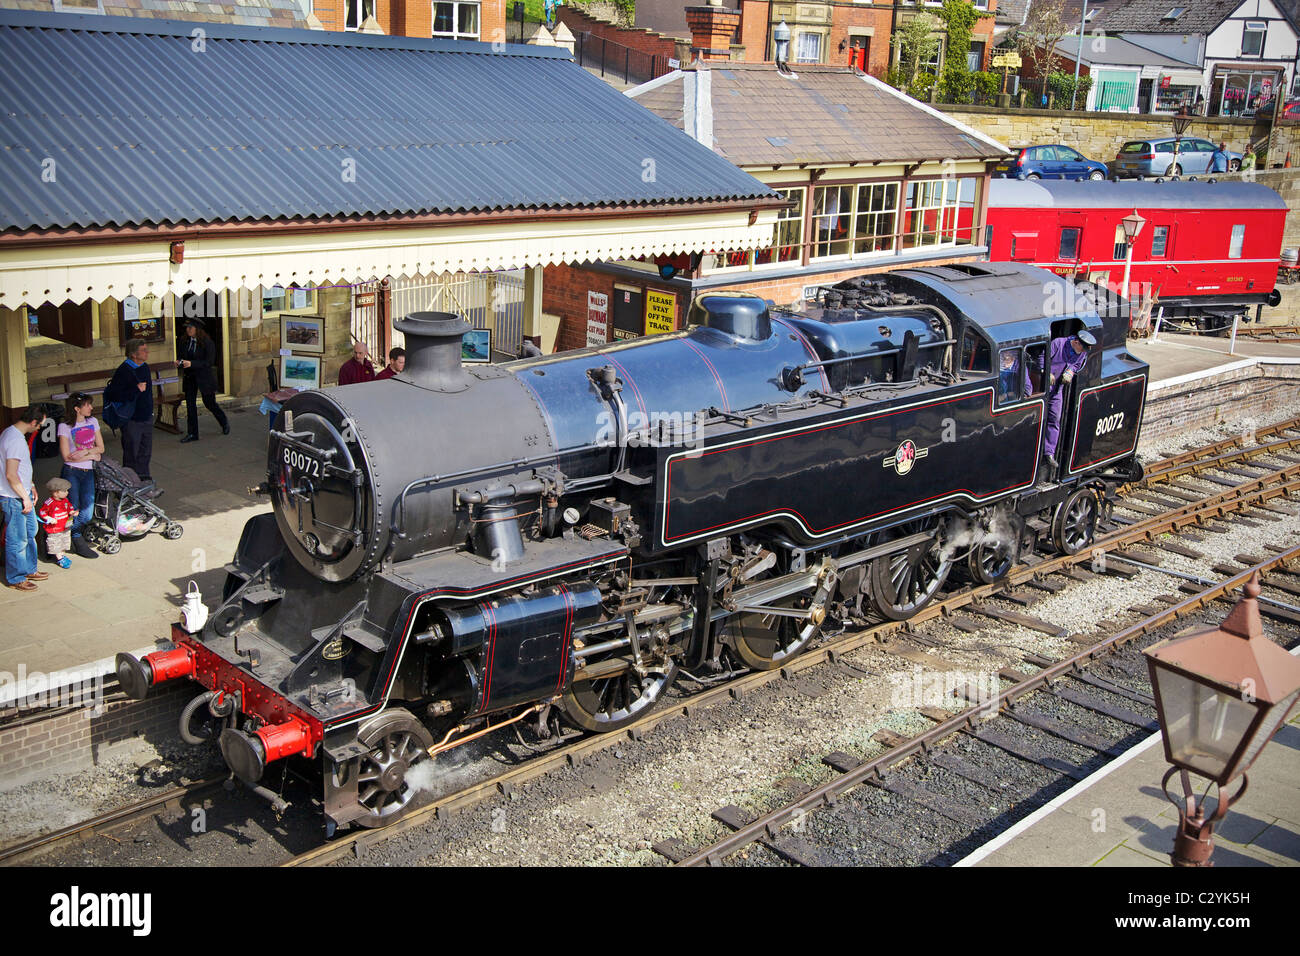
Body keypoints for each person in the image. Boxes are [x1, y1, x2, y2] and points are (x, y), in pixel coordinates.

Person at [1, 406, 49, 592]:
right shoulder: (14, 440)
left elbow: (21, 470)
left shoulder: (13, 435)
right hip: (14, 497)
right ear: (33, 422)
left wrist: (31, 485)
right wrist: (25, 497)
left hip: (22, 492)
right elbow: (11, 475)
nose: (39, 429)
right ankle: (16, 577)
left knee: (30, 531)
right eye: (39, 425)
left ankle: (29, 568)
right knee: (17, 538)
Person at [1042, 329, 1096, 472]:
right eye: (1082, 348)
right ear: (1076, 342)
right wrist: (1046, 372)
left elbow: (1078, 364)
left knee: (1055, 419)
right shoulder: (1057, 344)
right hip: (1042, 387)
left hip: (1057, 390)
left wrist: (1071, 371)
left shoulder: (1082, 352)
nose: (1083, 351)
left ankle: (1049, 452)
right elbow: (1042, 357)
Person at [58, 391, 102, 560]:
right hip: (72, 472)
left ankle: (61, 533)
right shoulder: (65, 427)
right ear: (77, 409)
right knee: (73, 508)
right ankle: (76, 539)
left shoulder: (93, 421)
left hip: (88, 471)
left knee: (87, 513)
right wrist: (92, 454)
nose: (91, 407)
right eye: (87, 405)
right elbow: (67, 456)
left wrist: (87, 453)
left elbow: (101, 448)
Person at [105, 338, 155, 481]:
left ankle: (144, 478)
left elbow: (148, 393)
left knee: (145, 451)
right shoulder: (124, 370)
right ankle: (130, 480)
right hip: (132, 419)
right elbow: (113, 394)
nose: (147, 352)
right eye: (143, 350)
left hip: (146, 415)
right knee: (132, 451)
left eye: (146, 349)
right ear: (133, 354)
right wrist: (135, 389)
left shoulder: (144, 367)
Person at [177, 317, 230, 443]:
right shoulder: (184, 341)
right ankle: (192, 433)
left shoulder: (207, 342)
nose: (188, 330)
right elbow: (181, 356)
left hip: (204, 377)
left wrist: (192, 364)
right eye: (187, 328)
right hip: (190, 377)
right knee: (190, 405)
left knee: (209, 403)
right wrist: (179, 362)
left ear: (197, 329)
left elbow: (209, 362)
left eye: (191, 328)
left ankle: (224, 422)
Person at [38, 477, 77, 569]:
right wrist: (49, 518)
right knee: (55, 542)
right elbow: (42, 512)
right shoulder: (49, 503)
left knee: (64, 541)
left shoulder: (65, 500)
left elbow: (69, 508)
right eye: (64, 491)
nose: (67, 492)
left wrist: (72, 512)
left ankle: (62, 555)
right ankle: (59, 558)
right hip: (54, 528)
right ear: (56, 492)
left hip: (64, 526)